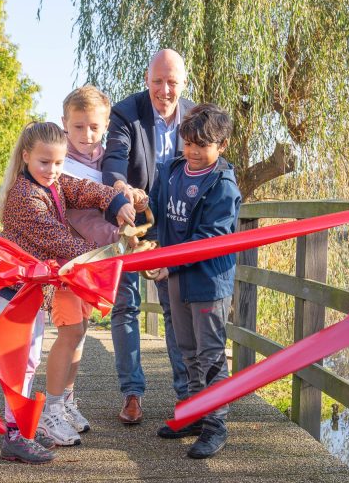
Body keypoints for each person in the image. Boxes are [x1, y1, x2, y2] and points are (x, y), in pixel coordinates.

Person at [0, 121, 136, 463]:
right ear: (26, 156)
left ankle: (22, 428)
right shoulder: (24, 197)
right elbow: (62, 242)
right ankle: (15, 435)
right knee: (22, 362)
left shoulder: (52, 184)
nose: (53, 170)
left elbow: (84, 189)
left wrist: (117, 202)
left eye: (58, 163)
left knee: (28, 358)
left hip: (30, 289)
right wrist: (115, 247)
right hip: (15, 289)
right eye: (44, 162)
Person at [102, 49, 194, 424]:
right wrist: (123, 189)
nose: (165, 90)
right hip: (130, 220)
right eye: (158, 81)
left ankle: (186, 395)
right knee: (126, 306)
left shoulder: (196, 117)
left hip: (174, 225)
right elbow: (113, 163)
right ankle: (132, 394)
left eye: (172, 82)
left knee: (175, 308)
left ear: (183, 84)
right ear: (146, 79)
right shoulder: (126, 112)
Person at [148, 103, 241, 459]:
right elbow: (156, 213)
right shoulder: (171, 170)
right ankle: (191, 413)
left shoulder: (224, 186)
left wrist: (169, 263)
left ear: (222, 145)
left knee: (211, 355)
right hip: (176, 279)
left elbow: (210, 239)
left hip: (207, 282)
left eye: (202, 145)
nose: (193, 152)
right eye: (188, 143)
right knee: (185, 350)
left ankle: (216, 426)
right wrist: (150, 242)